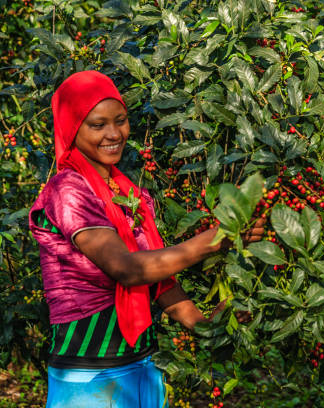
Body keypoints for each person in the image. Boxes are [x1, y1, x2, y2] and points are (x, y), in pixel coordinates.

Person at [28, 70, 264, 408]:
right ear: (72, 127)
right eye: (97, 125)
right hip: (89, 377)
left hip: (140, 367)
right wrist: (214, 240)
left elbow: (157, 279)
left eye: (121, 121)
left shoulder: (126, 193)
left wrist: (207, 325)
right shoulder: (68, 191)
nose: (114, 133)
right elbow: (127, 269)